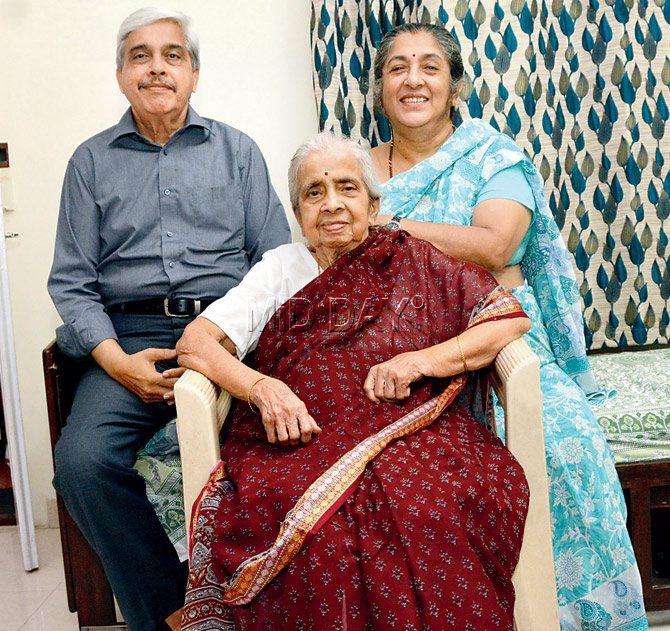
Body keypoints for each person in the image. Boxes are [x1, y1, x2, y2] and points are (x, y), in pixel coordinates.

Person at [173, 133, 531, 630]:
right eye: (314, 193)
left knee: (431, 507)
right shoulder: (281, 269)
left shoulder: (413, 258)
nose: (333, 204)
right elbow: (196, 343)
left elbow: (505, 319)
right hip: (300, 441)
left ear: (373, 202)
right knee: (321, 535)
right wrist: (262, 388)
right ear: (299, 213)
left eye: (347, 187)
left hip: (414, 431)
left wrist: (421, 361)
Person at [370, 23, 647, 629]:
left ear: (454, 84)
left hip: (505, 341)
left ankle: (579, 616)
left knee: (564, 442)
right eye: (397, 68)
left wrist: (388, 231)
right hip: (395, 351)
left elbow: (497, 245)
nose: (413, 80)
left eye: (429, 67)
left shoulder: (492, 157)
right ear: (379, 87)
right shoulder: (356, 172)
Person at [47, 8, 290, 630]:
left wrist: (234, 340)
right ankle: (176, 613)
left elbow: (276, 264)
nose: (157, 67)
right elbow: (72, 284)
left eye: (172, 55)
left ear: (195, 71)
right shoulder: (90, 162)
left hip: (227, 337)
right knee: (81, 463)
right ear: (122, 75)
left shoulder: (238, 152)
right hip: (129, 342)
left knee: (285, 452)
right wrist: (115, 361)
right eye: (140, 56)